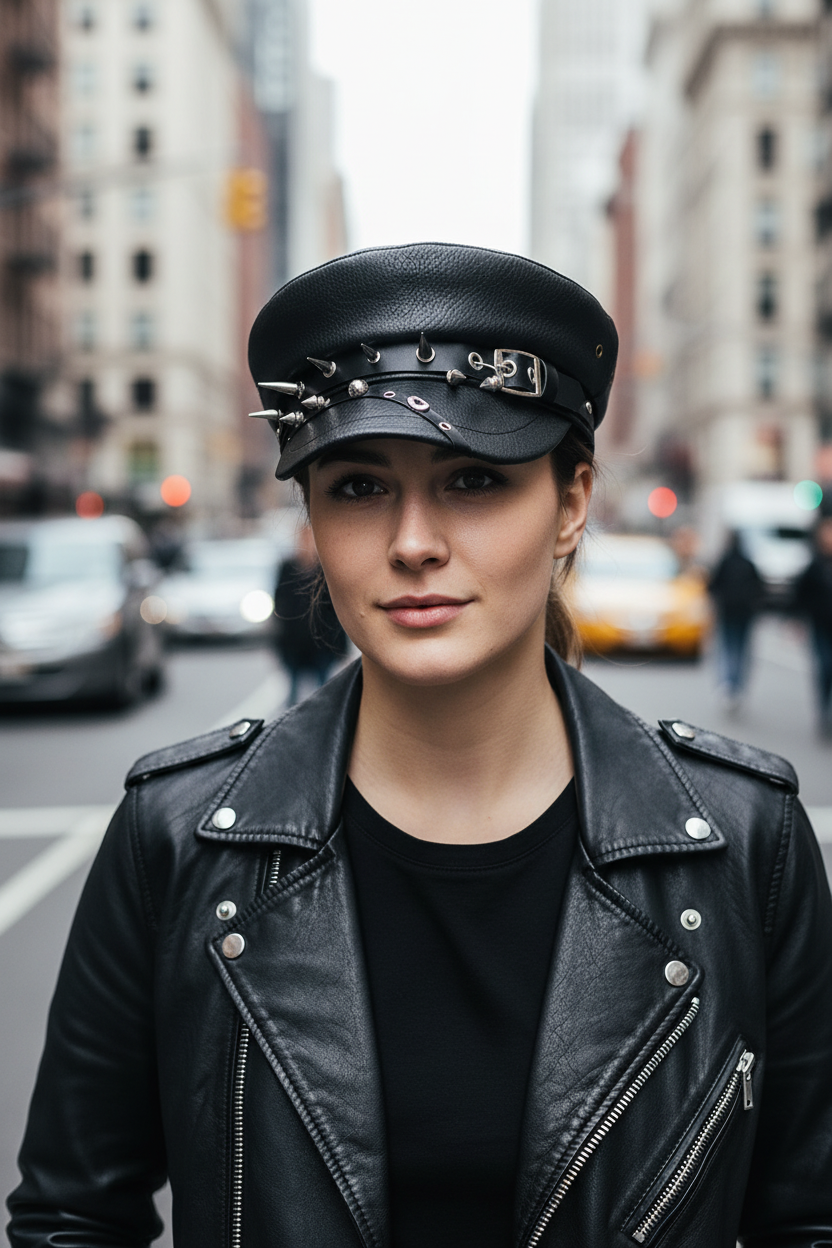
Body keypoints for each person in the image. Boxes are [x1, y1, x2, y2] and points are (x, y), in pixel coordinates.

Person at [8, 243, 832, 1248]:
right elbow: (70, 1216)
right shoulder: (176, 838)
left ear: (571, 503)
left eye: (474, 479)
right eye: (357, 487)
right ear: (310, 514)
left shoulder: (745, 843)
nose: (411, 542)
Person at [272, 522, 347, 706]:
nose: (306, 543)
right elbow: (279, 602)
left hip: (321, 641)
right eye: (303, 538)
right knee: (293, 695)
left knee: (323, 694)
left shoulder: (325, 569)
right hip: (294, 642)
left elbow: (335, 608)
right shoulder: (288, 567)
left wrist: (340, 645)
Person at [708, 530, 765, 710]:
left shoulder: (724, 562)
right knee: (741, 650)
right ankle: (737, 684)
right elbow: (760, 589)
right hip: (745, 614)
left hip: (728, 612)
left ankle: (728, 684)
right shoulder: (749, 564)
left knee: (727, 648)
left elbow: (712, 585)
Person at [794, 514, 832, 736]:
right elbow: (801, 594)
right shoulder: (815, 564)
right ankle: (823, 713)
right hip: (820, 625)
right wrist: (798, 618)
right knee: (825, 667)